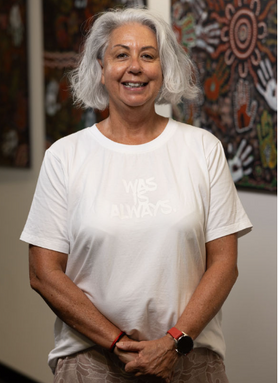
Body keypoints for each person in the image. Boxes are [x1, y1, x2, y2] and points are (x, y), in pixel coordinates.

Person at [20, 7, 252, 383]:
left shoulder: (202, 150)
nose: (135, 67)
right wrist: (117, 343)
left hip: (187, 358)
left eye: (148, 55)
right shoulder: (65, 156)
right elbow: (43, 273)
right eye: (121, 54)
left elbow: (224, 264)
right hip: (92, 362)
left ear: (164, 68)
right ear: (101, 66)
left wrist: (173, 343)